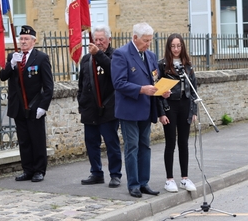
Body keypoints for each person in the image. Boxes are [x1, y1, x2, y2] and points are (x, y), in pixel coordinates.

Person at [111, 22, 170, 198]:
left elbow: (154, 79)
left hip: (146, 108)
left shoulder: (150, 55)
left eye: (150, 41)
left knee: (145, 146)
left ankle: (144, 182)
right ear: (135, 37)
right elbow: (118, 83)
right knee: (132, 146)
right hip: (129, 109)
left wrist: (162, 91)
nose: (148, 44)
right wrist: (141, 89)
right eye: (145, 41)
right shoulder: (121, 54)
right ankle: (133, 184)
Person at [0, 25, 54, 182]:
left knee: (37, 139)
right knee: (24, 140)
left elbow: (48, 86)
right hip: (18, 106)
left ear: (33, 41)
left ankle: (39, 170)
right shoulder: (13, 56)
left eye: (26, 39)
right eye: (21, 38)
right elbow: (3, 76)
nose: (23, 41)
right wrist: (11, 65)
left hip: (34, 105)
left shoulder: (41, 58)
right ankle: (27, 169)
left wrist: (43, 106)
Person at [78, 25, 122, 188]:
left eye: (101, 40)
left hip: (108, 108)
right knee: (91, 143)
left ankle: (115, 174)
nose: (98, 43)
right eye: (95, 40)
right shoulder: (86, 59)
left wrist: (99, 54)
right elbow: (81, 84)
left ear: (108, 40)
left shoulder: (116, 55)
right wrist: (81, 104)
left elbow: (114, 72)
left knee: (111, 144)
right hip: (90, 109)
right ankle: (96, 172)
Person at [157, 33, 197, 193]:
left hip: (185, 105)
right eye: (173, 46)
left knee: (184, 143)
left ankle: (185, 178)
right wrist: (161, 113)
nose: (176, 49)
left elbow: (194, 90)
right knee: (170, 142)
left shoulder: (188, 65)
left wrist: (193, 111)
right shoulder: (162, 65)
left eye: (178, 46)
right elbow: (157, 91)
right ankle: (169, 179)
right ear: (168, 47)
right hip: (169, 106)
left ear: (182, 47)